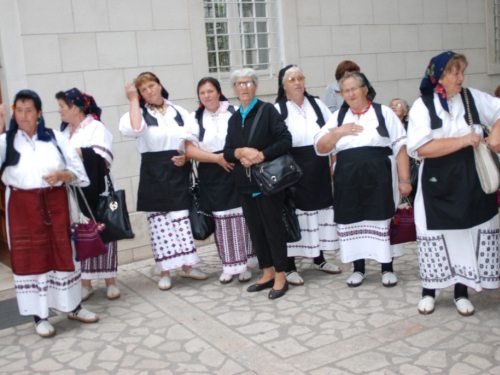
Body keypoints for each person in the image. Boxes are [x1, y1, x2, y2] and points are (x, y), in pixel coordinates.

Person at [407, 51, 500, 316]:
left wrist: (495, 131)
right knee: (434, 234)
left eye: (462, 71)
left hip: (471, 178)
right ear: (439, 76)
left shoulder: (471, 98)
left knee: (467, 232)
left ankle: (462, 291)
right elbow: (421, 148)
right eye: (455, 72)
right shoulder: (422, 106)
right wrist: (463, 140)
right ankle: (429, 290)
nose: (461, 77)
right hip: (438, 181)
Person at [0, 90, 98, 338]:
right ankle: (39, 316)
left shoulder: (55, 138)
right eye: (18, 110)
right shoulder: (5, 141)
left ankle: (73, 306)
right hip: (22, 208)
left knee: (63, 254)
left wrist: (62, 176)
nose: (23, 116)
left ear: (39, 114)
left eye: (29, 110)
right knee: (33, 260)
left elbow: (80, 174)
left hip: (55, 203)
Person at [314, 72, 411, 288]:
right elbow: (321, 148)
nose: (350, 94)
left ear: (365, 89)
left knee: (381, 219)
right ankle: (359, 269)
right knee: (352, 220)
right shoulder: (338, 117)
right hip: (348, 179)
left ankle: (387, 268)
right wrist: (338, 132)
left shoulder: (383, 112)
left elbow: (401, 148)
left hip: (380, 177)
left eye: (354, 89)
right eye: (345, 91)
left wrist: (405, 180)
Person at [119, 72, 208, 291]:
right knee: (160, 224)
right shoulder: (136, 113)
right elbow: (136, 129)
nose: (149, 91)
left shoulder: (179, 112)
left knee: (181, 220)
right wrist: (132, 100)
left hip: (178, 170)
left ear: (160, 85)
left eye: (152, 85)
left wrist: (187, 156)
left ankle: (187, 266)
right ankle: (165, 271)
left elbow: (192, 138)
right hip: (153, 172)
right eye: (143, 89)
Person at [223, 68, 292, 299]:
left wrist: (260, 155)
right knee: (257, 231)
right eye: (239, 84)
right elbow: (227, 151)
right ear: (233, 89)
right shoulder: (233, 118)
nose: (244, 87)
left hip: (267, 183)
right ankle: (267, 272)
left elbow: (285, 140)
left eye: (248, 83)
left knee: (273, 229)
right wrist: (240, 151)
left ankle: (281, 275)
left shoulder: (267, 111)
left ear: (256, 86)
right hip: (244, 184)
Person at [180, 77, 257, 284]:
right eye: (202, 93)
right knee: (221, 219)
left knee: (242, 216)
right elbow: (189, 149)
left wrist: (233, 156)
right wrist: (217, 159)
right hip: (211, 172)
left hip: (237, 168)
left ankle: (246, 264)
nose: (206, 96)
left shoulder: (234, 111)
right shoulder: (195, 117)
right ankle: (229, 265)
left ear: (219, 92)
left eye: (210, 91)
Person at [274, 65, 341, 286]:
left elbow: (331, 135)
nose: (297, 82)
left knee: (319, 211)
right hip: (293, 169)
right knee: (296, 215)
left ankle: (319, 258)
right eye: (291, 79)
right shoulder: (278, 109)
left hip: (319, 165)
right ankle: (290, 265)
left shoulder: (318, 105)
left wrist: (333, 163)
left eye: (300, 78)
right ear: (284, 86)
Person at [56, 88, 120, 301]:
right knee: (80, 233)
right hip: (74, 192)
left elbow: (103, 159)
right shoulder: (64, 133)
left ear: (75, 108)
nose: (59, 111)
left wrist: (75, 152)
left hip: (98, 189)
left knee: (104, 231)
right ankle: (86, 283)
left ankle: (110, 281)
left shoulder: (95, 127)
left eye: (62, 107)